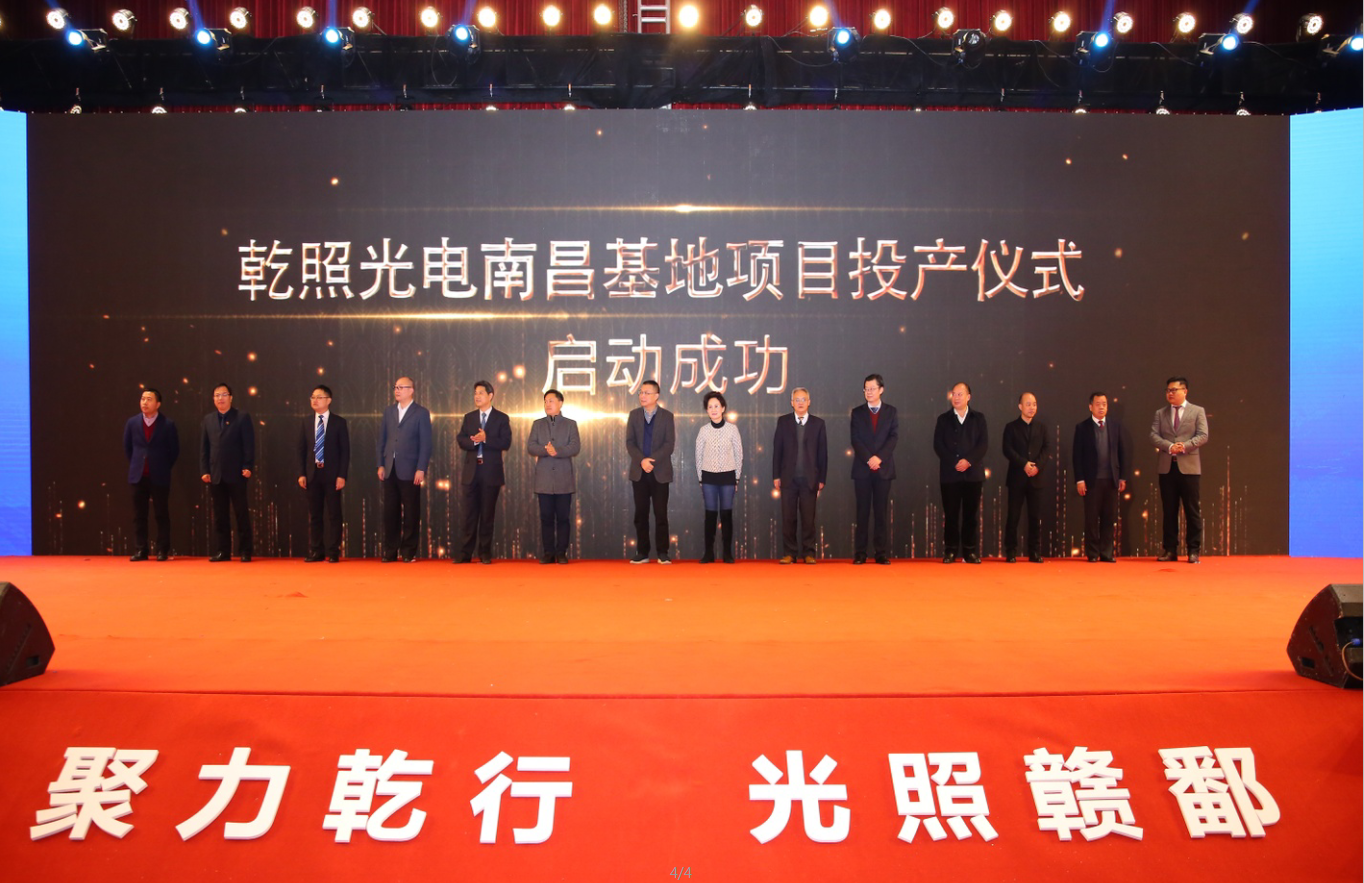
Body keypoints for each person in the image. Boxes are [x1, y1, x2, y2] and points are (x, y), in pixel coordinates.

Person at [1150, 376, 1209, 564]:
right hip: (1167, 468)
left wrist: (1184, 446)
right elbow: (1153, 436)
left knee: (1192, 511)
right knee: (1169, 511)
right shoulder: (1160, 413)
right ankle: (1170, 550)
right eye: (1168, 390)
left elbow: (1203, 435)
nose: (1170, 393)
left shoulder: (1197, 411)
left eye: (1174, 390)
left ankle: (1193, 550)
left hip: (1189, 468)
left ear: (1185, 391)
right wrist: (1169, 446)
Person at [376, 376, 431, 563]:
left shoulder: (421, 413)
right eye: (395, 387)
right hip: (389, 468)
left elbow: (426, 444)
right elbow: (382, 440)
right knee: (390, 512)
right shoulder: (389, 411)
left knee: (411, 512)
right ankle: (390, 551)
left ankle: (408, 551)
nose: (397, 390)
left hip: (410, 469)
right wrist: (380, 464)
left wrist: (421, 468)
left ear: (411, 390)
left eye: (401, 387)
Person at [456, 380, 512, 564]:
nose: (477, 396)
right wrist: (474, 441)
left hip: (490, 473)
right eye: (475, 393)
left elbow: (506, 442)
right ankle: (465, 553)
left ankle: (485, 553)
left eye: (480, 393)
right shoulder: (469, 417)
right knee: (468, 515)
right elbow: (461, 439)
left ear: (490, 395)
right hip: (471, 472)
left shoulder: (501, 418)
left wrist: (487, 438)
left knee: (487, 515)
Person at [1072, 392, 1131, 562]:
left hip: (1111, 479)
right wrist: (1080, 479)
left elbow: (1122, 452)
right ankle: (1092, 553)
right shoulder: (1082, 427)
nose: (1101, 407)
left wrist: (1122, 477)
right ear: (1090, 406)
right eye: (1098, 404)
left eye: (1104, 404)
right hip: (1091, 481)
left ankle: (1107, 553)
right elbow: (1077, 456)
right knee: (1091, 519)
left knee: (1109, 518)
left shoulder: (1115, 426)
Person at [934, 382, 989, 564]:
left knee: (970, 516)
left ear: (968, 397)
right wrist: (954, 462)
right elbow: (938, 445)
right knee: (951, 515)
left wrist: (968, 461)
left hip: (973, 475)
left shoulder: (978, 418)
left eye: (960, 394)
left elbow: (983, 444)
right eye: (954, 394)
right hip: (950, 475)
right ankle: (950, 551)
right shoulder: (943, 419)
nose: (956, 397)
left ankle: (969, 551)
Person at [772, 387, 827, 565]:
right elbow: (777, 451)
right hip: (788, 478)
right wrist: (776, 475)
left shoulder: (818, 424)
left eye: (803, 399)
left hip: (810, 479)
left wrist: (822, 478)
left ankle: (809, 553)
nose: (800, 402)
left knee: (808, 519)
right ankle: (790, 553)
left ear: (809, 402)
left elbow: (823, 454)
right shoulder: (783, 422)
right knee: (788, 518)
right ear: (792, 403)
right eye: (797, 399)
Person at [200, 383, 255, 562]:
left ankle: (245, 551)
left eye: (224, 394)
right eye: (217, 395)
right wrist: (205, 470)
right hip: (215, 474)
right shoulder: (208, 419)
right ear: (213, 399)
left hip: (237, 473)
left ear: (231, 397)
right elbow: (204, 448)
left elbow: (249, 444)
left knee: (241, 513)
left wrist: (248, 466)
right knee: (220, 515)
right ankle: (223, 551)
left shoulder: (241, 417)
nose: (220, 398)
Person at [123, 388, 179, 561]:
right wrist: (138, 464)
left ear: (158, 404)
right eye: (142, 399)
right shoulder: (132, 423)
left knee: (161, 514)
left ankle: (162, 550)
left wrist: (162, 466)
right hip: (137, 476)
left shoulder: (168, 424)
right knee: (139, 515)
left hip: (159, 476)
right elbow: (128, 448)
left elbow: (174, 451)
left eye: (149, 399)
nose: (145, 402)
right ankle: (141, 550)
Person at [297, 384, 350, 563]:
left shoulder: (339, 422)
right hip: (312, 474)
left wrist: (342, 475)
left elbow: (345, 451)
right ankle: (316, 551)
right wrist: (301, 473)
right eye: (313, 397)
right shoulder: (306, 422)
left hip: (332, 475)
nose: (315, 400)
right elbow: (301, 450)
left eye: (319, 397)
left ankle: (333, 551)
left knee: (334, 514)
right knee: (315, 515)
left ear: (329, 400)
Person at [625, 380, 676, 564]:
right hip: (639, 472)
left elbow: (669, 445)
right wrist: (642, 460)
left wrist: (651, 461)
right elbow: (630, 442)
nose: (642, 396)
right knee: (641, 514)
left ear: (656, 396)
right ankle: (643, 552)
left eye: (647, 392)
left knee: (661, 514)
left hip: (660, 471)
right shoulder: (634, 415)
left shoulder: (667, 416)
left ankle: (663, 552)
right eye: (641, 392)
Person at [527, 389, 581, 564]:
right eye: (545, 401)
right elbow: (531, 446)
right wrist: (545, 450)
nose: (547, 404)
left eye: (551, 401)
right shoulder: (537, 424)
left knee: (563, 518)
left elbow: (575, 447)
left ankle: (561, 552)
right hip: (544, 480)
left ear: (560, 403)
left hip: (564, 479)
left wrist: (557, 451)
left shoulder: (570, 424)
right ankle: (548, 552)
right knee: (546, 518)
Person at [850, 374, 898, 565]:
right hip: (862, 469)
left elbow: (893, 437)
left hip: (883, 469)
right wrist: (869, 458)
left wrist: (880, 458)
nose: (868, 392)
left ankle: (881, 552)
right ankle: (860, 553)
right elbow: (855, 439)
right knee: (862, 513)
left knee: (881, 513)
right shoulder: (857, 413)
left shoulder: (891, 412)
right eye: (866, 389)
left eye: (872, 388)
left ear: (881, 390)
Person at [695, 391, 743, 564]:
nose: (713, 409)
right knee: (710, 515)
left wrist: (736, 478)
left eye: (716, 406)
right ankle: (708, 553)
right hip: (708, 478)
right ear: (707, 410)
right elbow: (698, 456)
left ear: (723, 408)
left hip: (728, 477)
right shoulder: (703, 431)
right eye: (710, 407)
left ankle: (727, 553)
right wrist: (701, 478)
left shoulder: (732, 429)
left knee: (726, 515)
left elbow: (739, 454)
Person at [1002, 391, 1049, 563]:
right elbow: (1007, 449)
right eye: (1028, 404)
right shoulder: (1011, 427)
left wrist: (1037, 466)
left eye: (1034, 404)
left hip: (1036, 478)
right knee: (1013, 516)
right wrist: (1024, 464)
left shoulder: (1042, 427)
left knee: (1035, 517)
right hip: (1017, 478)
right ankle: (1011, 551)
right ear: (1020, 406)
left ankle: (1034, 552)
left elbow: (1046, 449)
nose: (1032, 407)